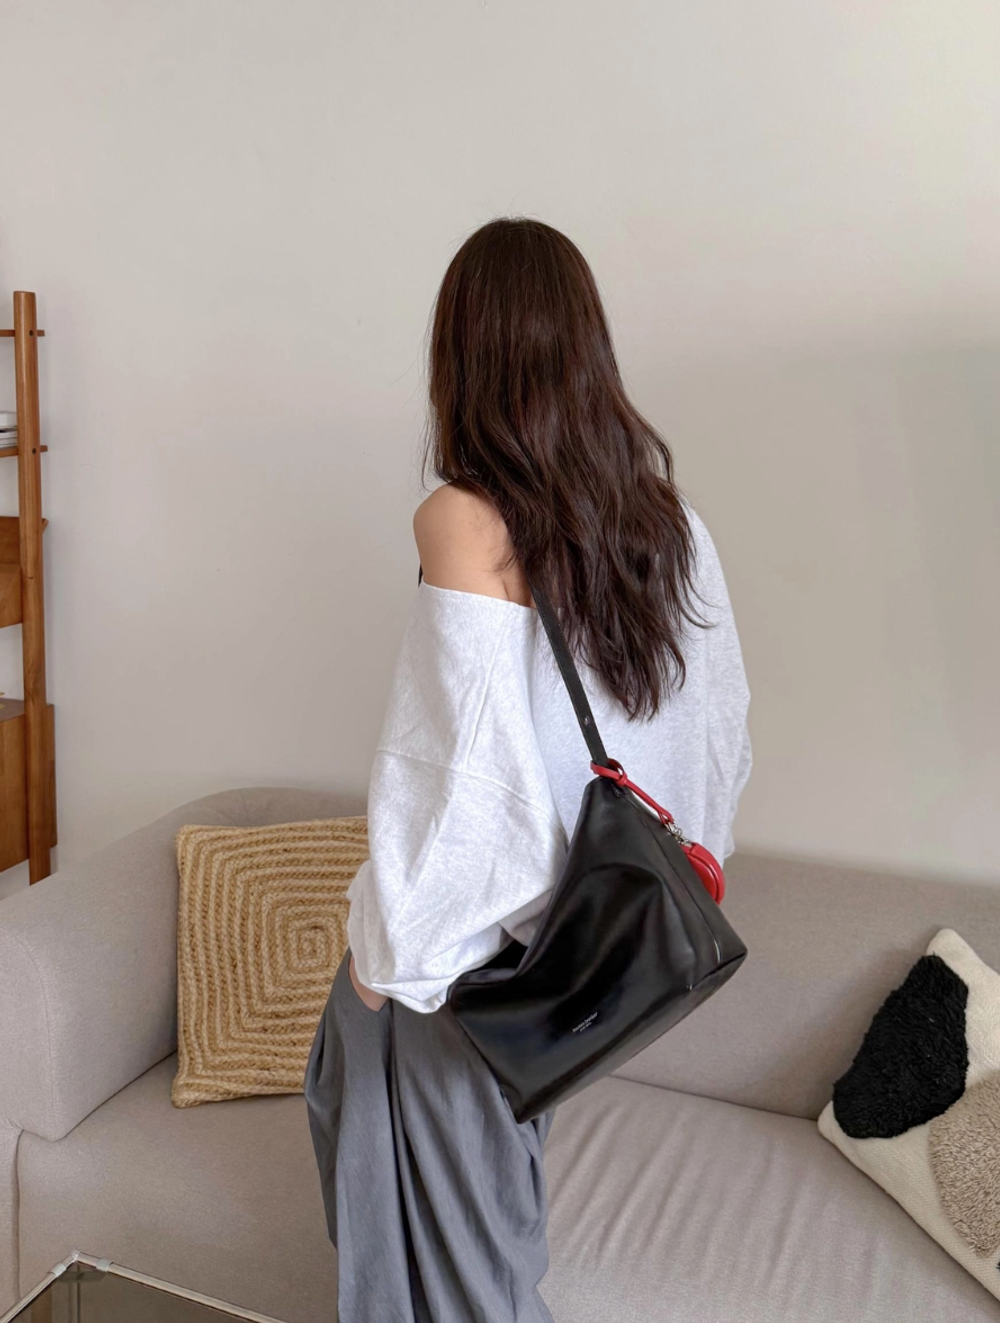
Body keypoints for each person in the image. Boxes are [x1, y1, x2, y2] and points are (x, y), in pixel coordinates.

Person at [304, 216, 753, 1323]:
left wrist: (394, 961)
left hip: (460, 967)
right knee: (468, 1234)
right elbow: (719, 737)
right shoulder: (670, 526)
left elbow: (463, 774)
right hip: (575, 954)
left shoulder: (465, 520)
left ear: (462, 355)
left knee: (452, 1280)